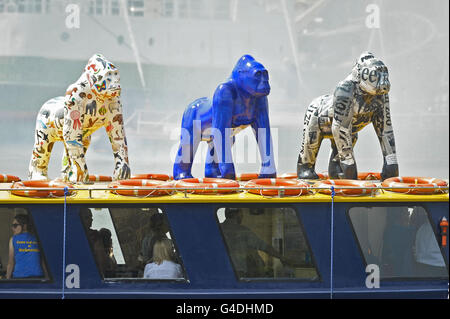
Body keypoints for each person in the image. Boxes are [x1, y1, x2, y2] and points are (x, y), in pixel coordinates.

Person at [220, 208, 292, 278]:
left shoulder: (217, 229)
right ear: (237, 214)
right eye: (241, 213)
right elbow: (265, 247)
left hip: (220, 272)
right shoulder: (243, 231)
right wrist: (281, 257)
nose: (242, 216)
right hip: (238, 273)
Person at [6, 214, 46, 279]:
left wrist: (7, 279)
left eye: (15, 225)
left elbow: (11, 263)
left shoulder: (13, 239)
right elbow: (43, 261)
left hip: (19, 277)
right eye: (12, 226)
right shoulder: (37, 238)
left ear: (24, 226)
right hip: (38, 277)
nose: (12, 228)